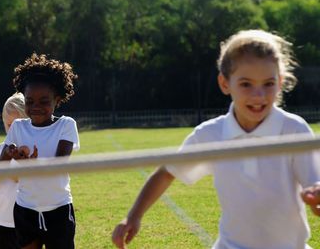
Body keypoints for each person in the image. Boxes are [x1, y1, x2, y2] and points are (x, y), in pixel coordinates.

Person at [111, 29, 320, 249]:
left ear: (280, 82)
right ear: (224, 83)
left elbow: (314, 184)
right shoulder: (210, 135)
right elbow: (166, 172)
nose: (258, 95)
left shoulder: (294, 130)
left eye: (268, 83)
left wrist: (316, 197)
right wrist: (133, 216)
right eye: (246, 84)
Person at [0, 53, 79, 249]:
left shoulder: (66, 125)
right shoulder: (18, 127)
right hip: (25, 210)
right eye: (29, 101)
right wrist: (11, 154)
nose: (35, 107)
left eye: (44, 101)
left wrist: (31, 163)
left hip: (58, 210)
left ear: (57, 100)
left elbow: (59, 165)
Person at [0, 92, 28, 249]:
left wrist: (0, 166)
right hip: (1, 219)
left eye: (16, 124)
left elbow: (18, 177)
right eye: (8, 124)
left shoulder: (28, 152)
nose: (11, 129)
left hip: (25, 220)